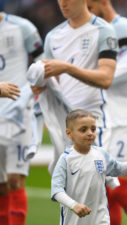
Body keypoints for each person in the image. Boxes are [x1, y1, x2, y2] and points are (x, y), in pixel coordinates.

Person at [86, 0, 127, 224]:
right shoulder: (95, 31)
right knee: (107, 191)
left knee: (117, 187)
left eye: (89, 7)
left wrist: (90, 76)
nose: (86, 13)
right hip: (109, 118)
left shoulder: (123, 28)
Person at [31, 0, 118, 173]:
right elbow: (52, 82)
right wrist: (41, 85)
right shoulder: (53, 36)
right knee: (70, 191)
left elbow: (106, 79)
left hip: (93, 122)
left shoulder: (103, 30)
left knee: (91, 187)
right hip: (66, 125)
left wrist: (68, 68)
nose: (63, 3)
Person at [51, 109, 127, 225]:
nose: (90, 133)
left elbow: (118, 169)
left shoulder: (101, 154)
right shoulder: (65, 159)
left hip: (101, 219)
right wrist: (73, 205)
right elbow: (57, 191)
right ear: (69, 133)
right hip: (74, 220)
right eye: (83, 130)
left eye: (93, 129)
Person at [0, 12, 43, 225]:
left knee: (15, 180)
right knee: (0, 187)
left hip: (19, 114)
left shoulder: (22, 27)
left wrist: (39, 78)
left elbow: (43, 58)